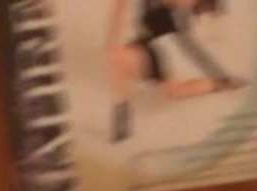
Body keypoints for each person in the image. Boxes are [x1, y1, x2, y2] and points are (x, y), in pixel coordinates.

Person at [106, 0, 247, 145]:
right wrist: (112, 41)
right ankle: (122, 113)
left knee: (174, 92)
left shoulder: (180, 19)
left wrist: (218, 73)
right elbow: (120, 9)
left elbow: (192, 47)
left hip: (168, 48)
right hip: (148, 44)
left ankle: (219, 83)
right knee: (118, 58)